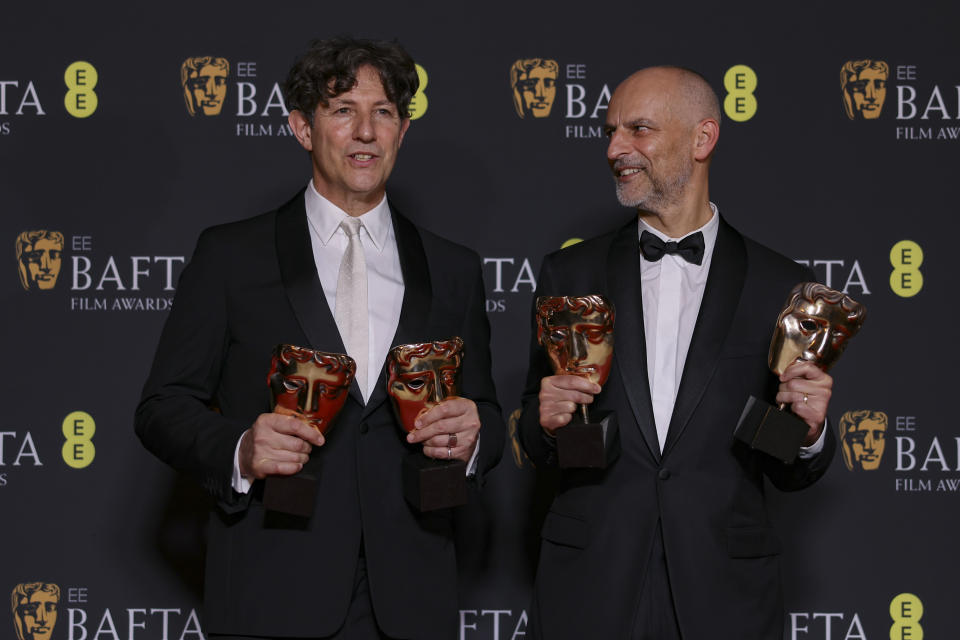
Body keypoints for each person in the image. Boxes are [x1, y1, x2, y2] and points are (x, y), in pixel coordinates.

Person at [137, 37, 503, 640]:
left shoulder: (455, 268)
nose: (365, 131)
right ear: (303, 129)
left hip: (411, 599)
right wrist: (241, 449)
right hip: (272, 589)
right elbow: (162, 407)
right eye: (342, 110)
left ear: (402, 131)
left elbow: (484, 409)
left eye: (383, 112)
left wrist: (473, 437)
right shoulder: (230, 255)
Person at [519, 66, 837, 639]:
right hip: (591, 583)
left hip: (723, 590)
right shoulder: (568, 272)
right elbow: (538, 442)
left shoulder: (779, 284)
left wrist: (809, 432)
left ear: (702, 138)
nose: (617, 148)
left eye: (638, 129)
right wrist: (545, 425)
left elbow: (784, 465)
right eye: (611, 130)